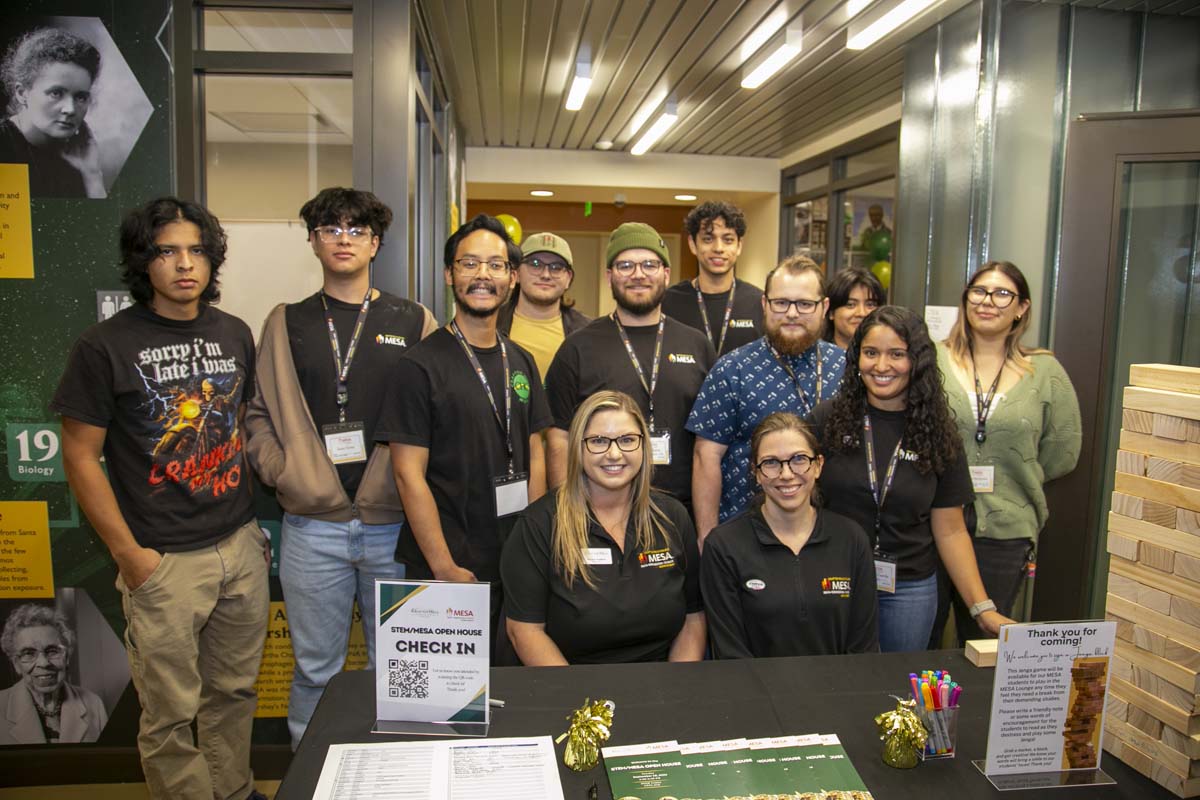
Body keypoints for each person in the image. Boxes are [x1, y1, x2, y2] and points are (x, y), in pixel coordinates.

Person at [52, 197, 268, 799]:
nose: (184, 264)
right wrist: (131, 557)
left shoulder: (233, 333)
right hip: (164, 560)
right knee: (171, 713)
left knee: (233, 692)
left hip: (238, 545)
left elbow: (238, 423)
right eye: (167, 251)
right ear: (143, 262)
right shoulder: (105, 346)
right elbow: (78, 456)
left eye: (196, 250)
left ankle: (233, 789)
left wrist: (248, 536)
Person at [244, 187, 436, 748]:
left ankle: (392, 769)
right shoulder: (286, 322)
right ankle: (313, 769)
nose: (343, 239)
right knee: (315, 670)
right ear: (313, 241)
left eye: (356, 230)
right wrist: (283, 471)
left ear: (376, 243)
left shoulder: (414, 318)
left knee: (399, 668)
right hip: (311, 528)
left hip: (394, 527)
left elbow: (431, 415)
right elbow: (257, 415)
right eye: (331, 229)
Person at [377, 214, 550, 659]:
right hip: (446, 563)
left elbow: (534, 448)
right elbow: (407, 474)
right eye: (469, 263)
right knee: (447, 706)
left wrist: (532, 546)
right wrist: (442, 566)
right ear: (449, 274)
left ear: (512, 278)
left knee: (511, 686)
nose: (482, 276)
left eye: (495, 265)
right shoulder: (419, 366)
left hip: (513, 559)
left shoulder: (523, 361)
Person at [809, 306, 1014, 652]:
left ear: (916, 362)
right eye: (871, 353)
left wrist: (982, 607)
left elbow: (950, 529)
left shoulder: (937, 432)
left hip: (908, 589)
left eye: (897, 354)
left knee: (896, 693)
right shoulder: (827, 420)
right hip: (833, 581)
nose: (881, 366)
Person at [932, 261, 1081, 644]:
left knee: (985, 645)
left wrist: (1018, 473)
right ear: (966, 300)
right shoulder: (932, 361)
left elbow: (1063, 450)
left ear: (1021, 308)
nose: (988, 301)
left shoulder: (1044, 371)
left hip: (1005, 532)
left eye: (1002, 294)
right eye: (979, 291)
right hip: (928, 524)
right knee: (921, 640)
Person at [501, 390, 705, 664]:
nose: (614, 453)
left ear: (644, 445)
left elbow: (693, 619)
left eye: (627, 440)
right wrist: (587, 707)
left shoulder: (672, 517)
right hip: (574, 691)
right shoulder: (539, 525)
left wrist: (678, 693)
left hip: (662, 688)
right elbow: (524, 631)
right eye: (598, 441)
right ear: (578, 447)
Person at [546, 222, 715, 512]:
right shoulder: (577, 348)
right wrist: (567, 512)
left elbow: (710, 442)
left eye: (649, 264)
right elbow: (558, 437)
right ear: (610, 277)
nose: (638, 275)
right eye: (626, 266)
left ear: (666, 274)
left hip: (682, 510)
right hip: (599, 510)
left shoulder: (697, 345)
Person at [688, 256, 845, 543]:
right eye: (781, 303)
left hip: (832, 535)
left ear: (824, 308)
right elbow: (705, 457)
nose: (792, 313)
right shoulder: (731, 369)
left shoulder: (846, 368)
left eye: (804, 304)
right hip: (746, 536)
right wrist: (707, 538)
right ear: (764, 305)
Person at [701, 413, 878, 658]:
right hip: (758, 693)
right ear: (756, 472)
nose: (786, 474)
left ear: (818, 465)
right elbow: (731, 653)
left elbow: (863, 648)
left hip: (839, 691)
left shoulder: (852, 540)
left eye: (799, 459)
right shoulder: (723, 546)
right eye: (771, 463)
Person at [0, 27, 105, 197]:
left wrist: (92, 175)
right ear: (22, 93)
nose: (70, 109)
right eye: (56, 93)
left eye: (80, 97)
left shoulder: (77, 159)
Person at [662, 201, 763, 358]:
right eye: (708, 239)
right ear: (693, 244)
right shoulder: (668, 302)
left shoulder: (760, 303)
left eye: (728, 240)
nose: (718, 248)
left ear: (739, 246)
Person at [0, 604, 107, 744]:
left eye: (52, 651)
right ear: (16, 664)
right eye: (28, 653)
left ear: (66, 657)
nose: (44, 663)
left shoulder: (94, 704)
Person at [497, 231, 591, 380]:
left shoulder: (587, 332)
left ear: (568, 278)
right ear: (517, 273)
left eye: (556, 267)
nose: (546, 275)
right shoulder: (491, 325)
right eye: (535, 264)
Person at [823, 267, 884, 350]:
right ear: (831, 312)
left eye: (870, 305)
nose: (862, 313)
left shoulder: (887, 358)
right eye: (851, 305)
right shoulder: (817, 357)